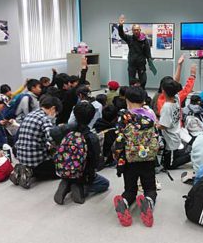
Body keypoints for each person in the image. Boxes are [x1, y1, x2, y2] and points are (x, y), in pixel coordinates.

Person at [113, 86, 160, 227]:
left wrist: (118, 160)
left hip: (129, 159)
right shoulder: (150, 114)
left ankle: (125, 201)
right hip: (148, 158)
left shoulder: (124, 116)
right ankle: (148, 202)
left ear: (127, 100)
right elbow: (156, 135)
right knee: (150, 188)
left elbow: (119, 139)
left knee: (130, 190)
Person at [54, 102, 110, 205]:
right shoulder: (92, 137)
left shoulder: (65, 130)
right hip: (84, 174)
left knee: (71, 173)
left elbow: (53, 133)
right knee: (105, 184)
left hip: (65, 169)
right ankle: (81, 187)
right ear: (92, 117)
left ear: (74, 114)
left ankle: (67, 182)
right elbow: (96, 163)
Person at [10, 96, 63, 189]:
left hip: (20, 153)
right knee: (60, 170)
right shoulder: (45, 119)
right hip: (34, 159)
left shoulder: (30, 115)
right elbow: (52, 138)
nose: (55, 115)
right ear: (53, 108)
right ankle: (30, 171)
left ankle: (21, 168)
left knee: (48, 150)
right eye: (56, 113)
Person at [157, 80, 190, 170]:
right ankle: (183, 152)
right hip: (176, 131)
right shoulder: (177, 98)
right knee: (171, 154)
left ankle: (190, 156)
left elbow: (164, 125)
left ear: (163, 91)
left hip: (171, 138)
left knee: (169, 165)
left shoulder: (167, 107)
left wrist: (154, 124)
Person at [118, 15, 152, 88]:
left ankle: (142, 92)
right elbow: (121, 34)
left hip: (141, 63)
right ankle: (131, 93)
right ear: (132, 31)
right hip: (132, 63)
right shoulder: (129, 38)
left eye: (137, 29)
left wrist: (150, 63)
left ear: (140, 30)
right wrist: (120, 25)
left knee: (143, 80)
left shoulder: (144, 40)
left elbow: (148, 52)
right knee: (131, 81)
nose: (136, 31)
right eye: (134, 30)